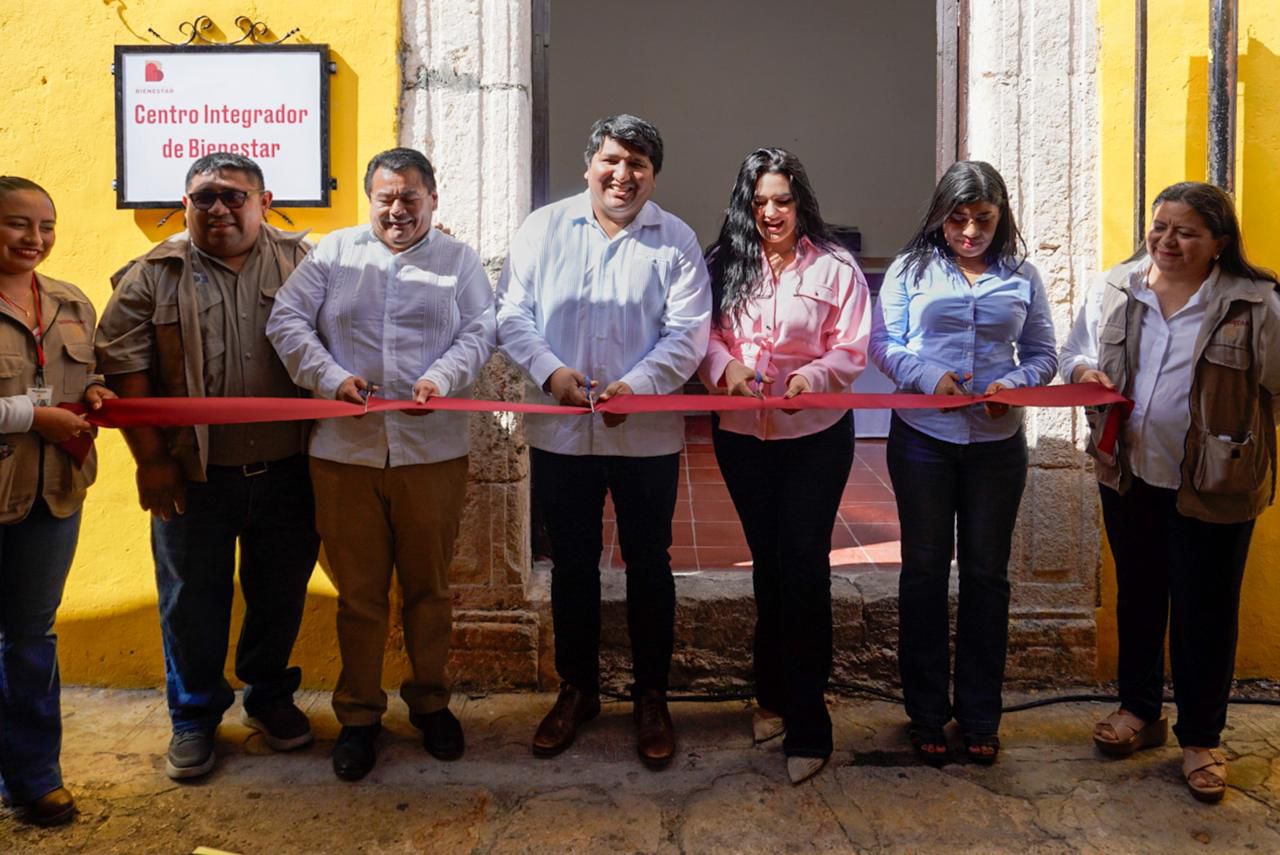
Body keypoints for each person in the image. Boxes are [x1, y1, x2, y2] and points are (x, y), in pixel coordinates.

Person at [266, 147, 495, 781]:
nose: (397, 210)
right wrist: (331, 378)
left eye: (410, 198)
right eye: (385, 198)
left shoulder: (458, 261)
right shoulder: (334, 254)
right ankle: (359, 715)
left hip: (433, 452)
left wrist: (441, 378)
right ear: (370, 199)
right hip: (344, 454)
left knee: (429, 590)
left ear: (432, 199)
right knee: (359, 595)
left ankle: (429, 703)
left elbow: (481, 330)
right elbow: (286, 321)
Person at [95, 154, 320, 781]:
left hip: (289, 471)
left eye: (232, 196)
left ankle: (269, 697)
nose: (218, 208)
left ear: (264, 201)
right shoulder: (152, 274)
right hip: (193, 476)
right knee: (190, 600)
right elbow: (123, 368)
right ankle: (193, 716)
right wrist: (152, 461)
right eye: (204, 198)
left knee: (280, 593)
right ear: (186, 203)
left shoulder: (308, 264)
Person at [496, 114, 711, 769]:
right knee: (572, 567)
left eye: (639, 164)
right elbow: (512, 314)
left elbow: (689, 332)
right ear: (590, 163)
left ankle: (652, 695)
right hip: (562, 431)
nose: (623, 175)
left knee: (651, 564)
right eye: (613, 161)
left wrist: (638, 386)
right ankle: (578, 688)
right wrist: (552, 374)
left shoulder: (674, 239)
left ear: (654, 175)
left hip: (644, 435)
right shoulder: (543, 229)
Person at [1060, 181, 1280, 803]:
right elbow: (1074, 349)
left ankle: (1202, 738)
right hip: (1129, 472)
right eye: (1160, 227)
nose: (1167, 241)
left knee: (1204, 611)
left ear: (1219, 243)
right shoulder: (1118, 285)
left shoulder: (1255, 303)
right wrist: (1084, 371)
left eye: (1186, 231)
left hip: (1217, 483)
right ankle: (1139, 710)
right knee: (1139, 596)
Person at [869, 160, 1057, 766]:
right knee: (923, 572)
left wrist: (1016, 386)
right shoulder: (909, 269)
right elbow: (884, 345)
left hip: (996, 447)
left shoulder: (1022, 276)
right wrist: (930, 377)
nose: (970, 232)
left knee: (986, 576)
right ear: (939, 216)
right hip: (923, 435)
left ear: (1001, 219)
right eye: (958, 219)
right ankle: (925, 712)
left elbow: (1043, 353)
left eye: (983, 219)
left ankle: (980, 714)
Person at [698, 148, 870, 784]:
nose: (771, 212)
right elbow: (705, 335)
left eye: (783, 200)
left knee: (803, 567)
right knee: (768, 565)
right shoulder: (723, 266)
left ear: (802, 203)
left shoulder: (836, 267)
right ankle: (769, 693)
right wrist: (726, 369)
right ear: (747, 204)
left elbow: (852, 346)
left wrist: (814, 375)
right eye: (760, 201)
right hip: (742, 435)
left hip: (815, 436)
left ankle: (809, 723)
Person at [0, 176, 114, 825]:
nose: (34, 238)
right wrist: (31, 418)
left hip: (52, 496)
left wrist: (95, 392)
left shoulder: (70, 301)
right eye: (19, 224)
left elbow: (83, 373)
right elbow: (35, 406)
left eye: (46, 226)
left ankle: (35, 774)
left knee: (30, 639)